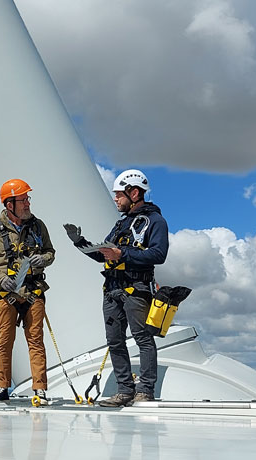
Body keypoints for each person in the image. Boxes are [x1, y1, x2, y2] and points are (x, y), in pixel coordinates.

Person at [64, 169, 168, 407]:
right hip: (112, 290)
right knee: (114, 341)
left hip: (136, 288)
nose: (116, 199)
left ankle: (145, 390)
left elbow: (158, 254)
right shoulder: (122, 224)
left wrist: (122, 253)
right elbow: (104, 256)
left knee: (142, 338)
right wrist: (80, 242)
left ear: (134, 192)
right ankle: (124, 390)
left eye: (119, 194)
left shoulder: (156, 221)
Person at [0, 179, 55, 404]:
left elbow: (50, 251)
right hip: (7, 293)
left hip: (33, 290)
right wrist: (0, 278)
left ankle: (39, 388)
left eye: (27, 199)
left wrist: (45, 258)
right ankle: (2, 387)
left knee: (36, 339)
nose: (27, 203)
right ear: (9, 204)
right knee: (5, 340)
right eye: (23, 199)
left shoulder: (38, 226)